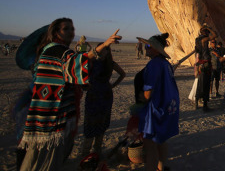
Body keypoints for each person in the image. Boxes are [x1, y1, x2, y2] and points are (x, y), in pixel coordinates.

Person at [19, 18, 121, 171]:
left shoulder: (52, 50)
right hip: (50, 117)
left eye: (72, 29)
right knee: (45, 161)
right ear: (55, 32)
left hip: (47, 115)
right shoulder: (56, 50)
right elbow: (76, 63)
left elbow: (73, 71)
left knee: (38, 159)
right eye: (66, 29)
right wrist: (104, 45)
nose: (71, 32)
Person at [137, 34, 179, 171]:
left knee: (150, 146)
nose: (146, 48)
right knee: (161, 141)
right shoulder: (165, 64)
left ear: (156, 49)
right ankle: (161, 168)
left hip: (156, 108)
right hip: (168, 107)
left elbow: (148, 91)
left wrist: (140, 100)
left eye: (149, 46)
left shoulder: (154, 64)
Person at [81, 42, 126, 159]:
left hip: (101, 94)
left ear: (108, 51)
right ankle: (89, 151)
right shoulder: (100, 63)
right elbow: (122, 74)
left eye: (104, 50)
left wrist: (113, 85)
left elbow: (122, 74)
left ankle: (94, 150)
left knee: (99, 121)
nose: (101, 52)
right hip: (98, 94)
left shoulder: (104, 63)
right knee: (93, 122)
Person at [194, 25, 217, 111]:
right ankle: (205, 106)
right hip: (205, 63)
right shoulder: (204, 39)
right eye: (207, 32)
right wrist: (209, 28)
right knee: (206, 84)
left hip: (201, 63)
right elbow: (215, 35)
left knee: (200, 83)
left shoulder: (197, 39)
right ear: (205, 32)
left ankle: (197, 102)